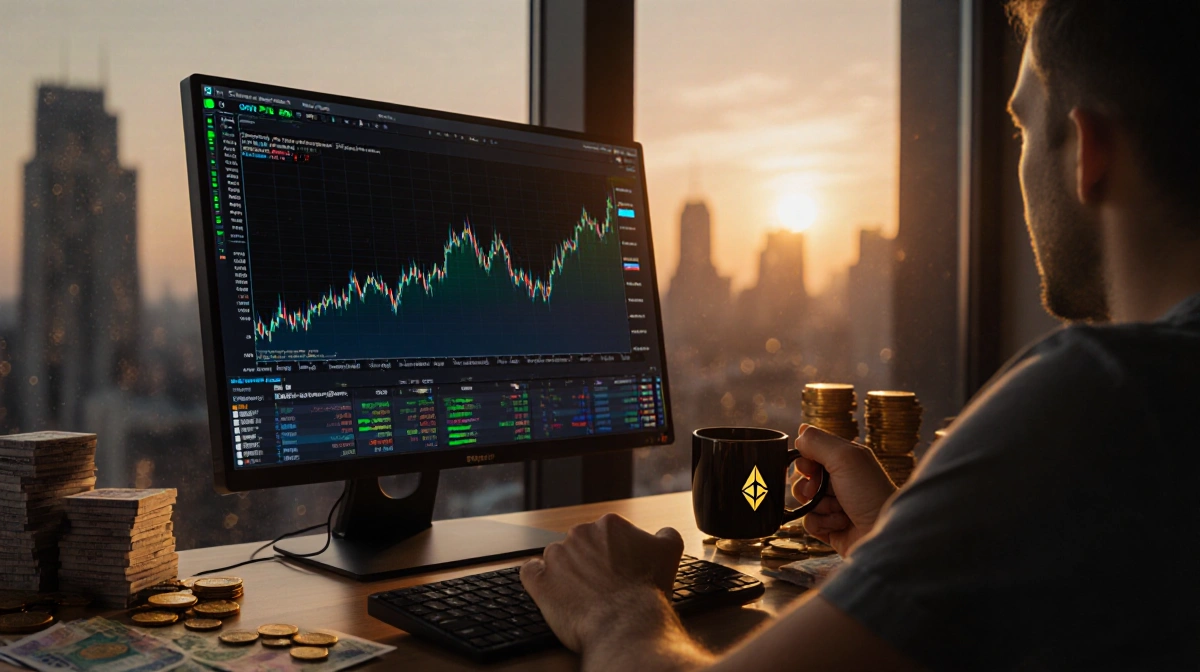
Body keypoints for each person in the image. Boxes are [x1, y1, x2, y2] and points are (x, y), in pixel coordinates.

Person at [519, 1, 1200, 669]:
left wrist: (619, 606)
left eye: (1021, 129)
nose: (1017, 161)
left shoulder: (1107, 397)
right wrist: (898, 542)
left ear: (1087, 151)